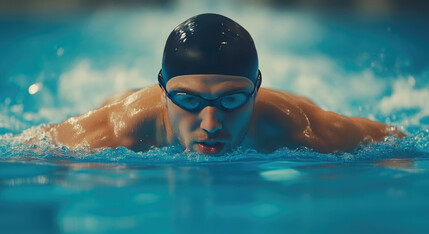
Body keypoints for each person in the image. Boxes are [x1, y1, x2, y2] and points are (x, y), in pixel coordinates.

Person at [44, 13, 404, 155]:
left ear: (257, 89)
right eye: (188, 100)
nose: (211, 124)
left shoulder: (299, 127)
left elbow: (399, 141)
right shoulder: (113, 131)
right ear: (163, 90)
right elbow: (24, 145)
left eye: (231, 101)